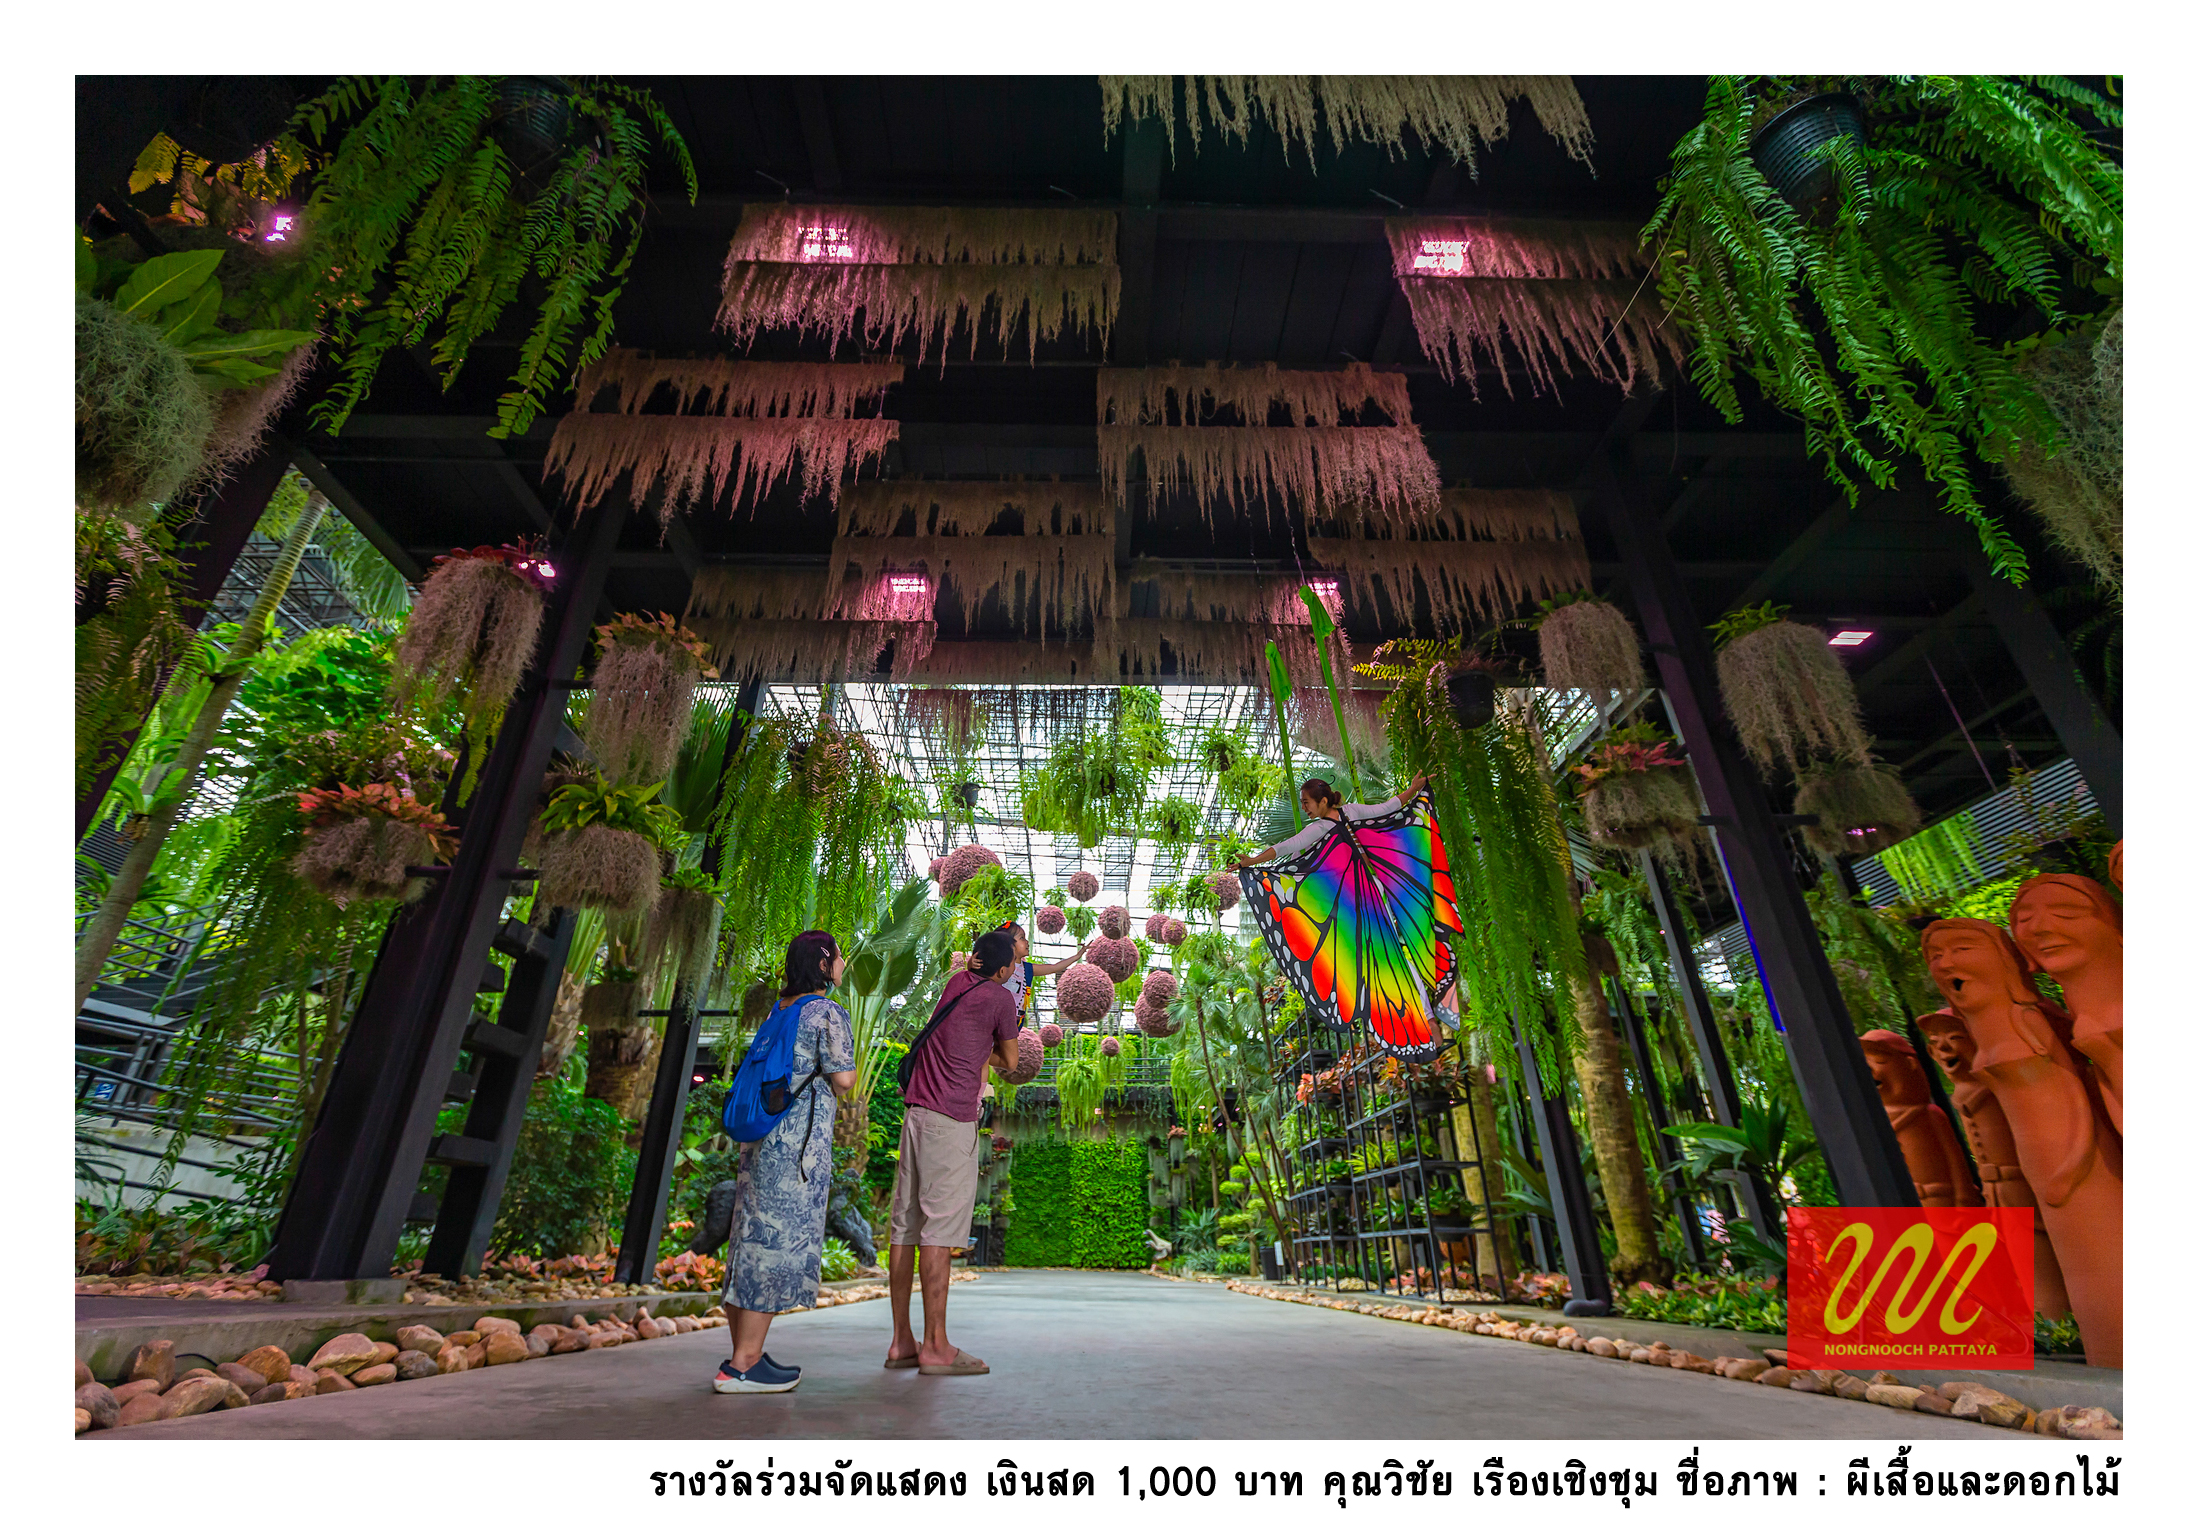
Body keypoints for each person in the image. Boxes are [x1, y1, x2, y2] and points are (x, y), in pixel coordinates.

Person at [714, 931, 857, 1394]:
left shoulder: (780, 1009)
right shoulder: (826, 1011)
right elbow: (844, 1079)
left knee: (749, 1242)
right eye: (838, 956)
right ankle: (743, 1365)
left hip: (761, 1142)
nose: (843, 963)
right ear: (823, 964)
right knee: (774, 1248)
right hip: (797, 1150)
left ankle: (744, 1355)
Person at [884, 928, 1021, 1376]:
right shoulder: (1001, 998)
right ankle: (935, 1347)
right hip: (951, 1120)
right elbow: (1011, 1061)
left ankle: (901, 1342)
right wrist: (986, 1049)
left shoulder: (956, 983)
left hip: (916, 1114)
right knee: (939, 1232)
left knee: (905, 1227)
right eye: (1013, 963)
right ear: (1003, 970)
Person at [1236, 774, 1430, 868]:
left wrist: (1413, 789)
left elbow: (1387, 808)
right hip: (1352, 888)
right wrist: (1253, 861)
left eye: (1306, 802)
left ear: (1323, 801)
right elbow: (1287, 846)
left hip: (1377, 875)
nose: (1303, 808)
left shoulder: (1351, 811)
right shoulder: (1319, 828)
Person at [999, 919, 1088, 1017]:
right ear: (1009, 944)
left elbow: (1055, 967)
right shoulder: (998, 965)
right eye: (1022, 938)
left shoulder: (1027, 969)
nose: (1027, 942)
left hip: (1013, 1020)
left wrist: (1077, 956)